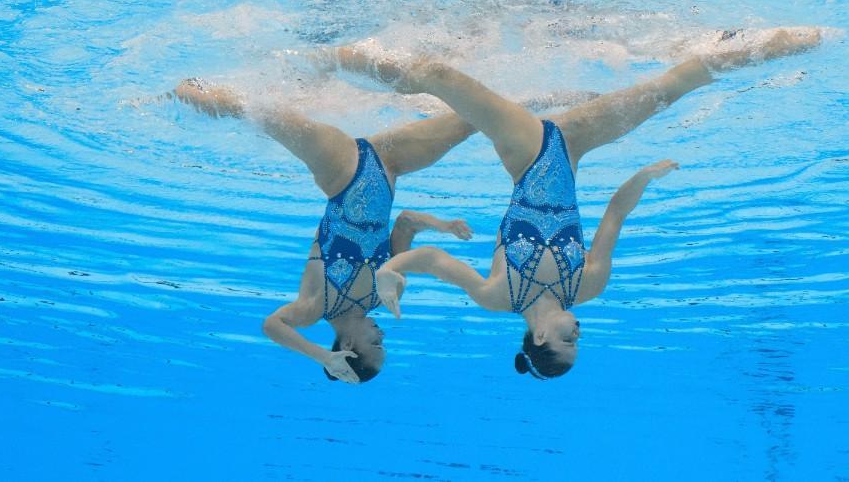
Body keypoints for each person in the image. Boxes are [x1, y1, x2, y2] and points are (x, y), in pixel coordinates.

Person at [325, 27, 823, 379]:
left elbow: (432, 260)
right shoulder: (590, 284)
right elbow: (615, 214)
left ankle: (335, 58)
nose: (578, 332)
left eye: (569, 341)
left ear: (539, 339)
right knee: (669, 88)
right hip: (573, 146)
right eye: (579, 341)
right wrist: (645, 177)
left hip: (527, 151)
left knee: (440, 76)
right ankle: (781, 41)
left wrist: (392, 272)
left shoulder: (497, 296)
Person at [173, 78, 476, 383]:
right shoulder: (385, 294)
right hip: (389, 165)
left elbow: (272, 325)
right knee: (476, 117)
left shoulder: (317, 305)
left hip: (341, 171)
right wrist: (443, 226)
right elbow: (408, 221)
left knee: (260, 111)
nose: (382, 334)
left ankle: (183, 91)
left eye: (376, 344)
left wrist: (322, 356)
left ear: (346, 347)